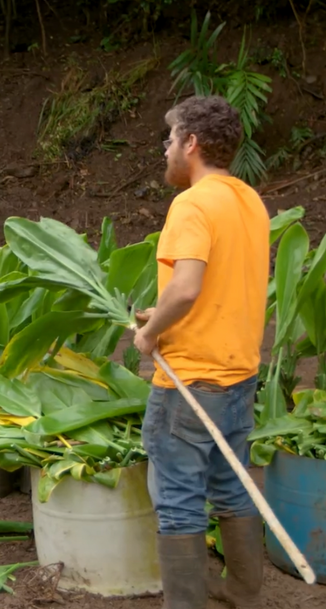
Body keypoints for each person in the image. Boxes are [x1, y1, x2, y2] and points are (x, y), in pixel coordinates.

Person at [134, 95, 269, 609]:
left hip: (190, 382)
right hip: (238, 376)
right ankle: (242, 592)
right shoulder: (248, 199)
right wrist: (159, 312)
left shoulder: (191, 203)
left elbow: (188, 287)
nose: (166, 149)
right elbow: (215, 285)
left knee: (178, 503)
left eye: (170, 139)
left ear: (191, 143)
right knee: (232, 486)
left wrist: (149, 336)